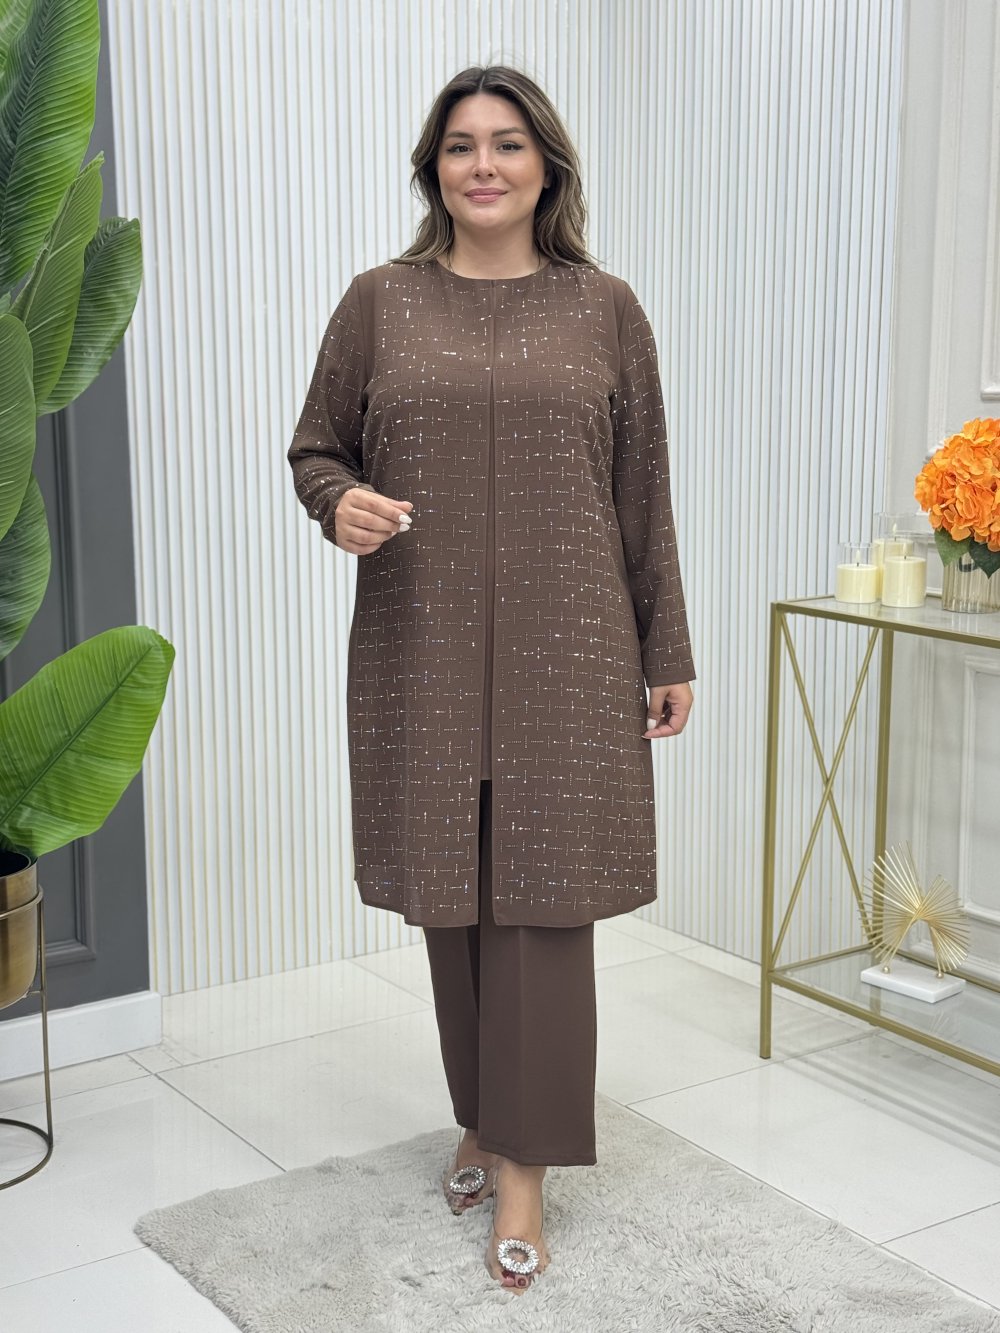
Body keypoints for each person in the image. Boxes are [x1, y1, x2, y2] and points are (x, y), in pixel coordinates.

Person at [288, 64, 695, 1295]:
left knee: (543, 906)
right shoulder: (380, 301)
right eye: (461, 145)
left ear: (546, 166)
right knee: (451, 899)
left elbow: (642, 493)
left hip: (571, 649)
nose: (483, 165)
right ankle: (480, 1114)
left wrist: (666, 648)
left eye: (507, 143)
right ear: (434, 170)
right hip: (419, 639)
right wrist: (337, 504)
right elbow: (317, 447)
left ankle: (523, 1166)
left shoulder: (605, 308)